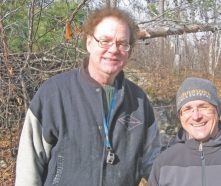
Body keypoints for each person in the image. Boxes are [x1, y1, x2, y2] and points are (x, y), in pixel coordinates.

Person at [15, 7, 161, 186]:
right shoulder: (54, 93)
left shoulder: (138, 101)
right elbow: (29, 167)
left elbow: (154, 163)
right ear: (89, 43)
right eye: (105, 41)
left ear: (129, 52)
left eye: (122, 44)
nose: (113, 50)